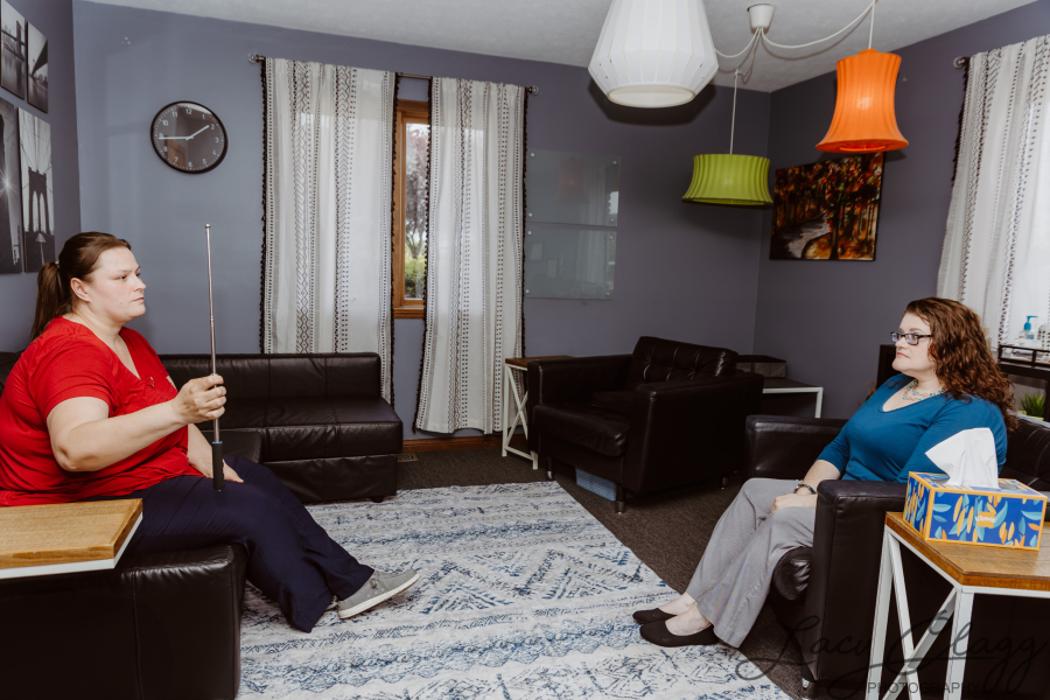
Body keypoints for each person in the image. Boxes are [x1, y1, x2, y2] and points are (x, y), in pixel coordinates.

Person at [0, 231, 418, 632]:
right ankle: (312, 600)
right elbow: (76, 450)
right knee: (250, 509)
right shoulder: (69, 352)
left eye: (138, 273)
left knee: (255, 479)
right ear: (81, 289)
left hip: (139, 476)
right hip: (84, 503)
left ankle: (352, 582)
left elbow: (180, 426)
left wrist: (210, 464)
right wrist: (176, 410)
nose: (140, 285)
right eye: (122, 277)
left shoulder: (131, 342)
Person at [633, 297, 1013, 648]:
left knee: (784, 521)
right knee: (754, 491)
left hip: (878, 517)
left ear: (949, 344)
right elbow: (841, 446)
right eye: (899, 333)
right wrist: (805, 492)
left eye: (914, 336)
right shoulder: (897, 384)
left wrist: (813, 506)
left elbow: (906, 492)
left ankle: (710, 619)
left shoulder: (965, 410)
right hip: (843, 496)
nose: (900, 342)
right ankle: (694, 597)